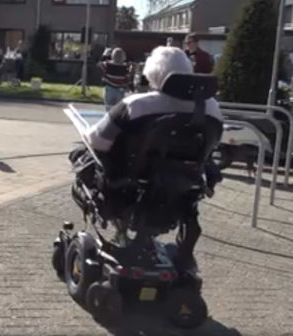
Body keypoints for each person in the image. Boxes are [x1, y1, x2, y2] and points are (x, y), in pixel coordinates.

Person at [84, 46, 223, 278]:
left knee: (82, 156)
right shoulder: (212, 109)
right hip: (181, 190)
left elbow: (97, 141)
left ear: (152, 76)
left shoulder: (136, 105)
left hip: (129, 188)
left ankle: (118, 230)